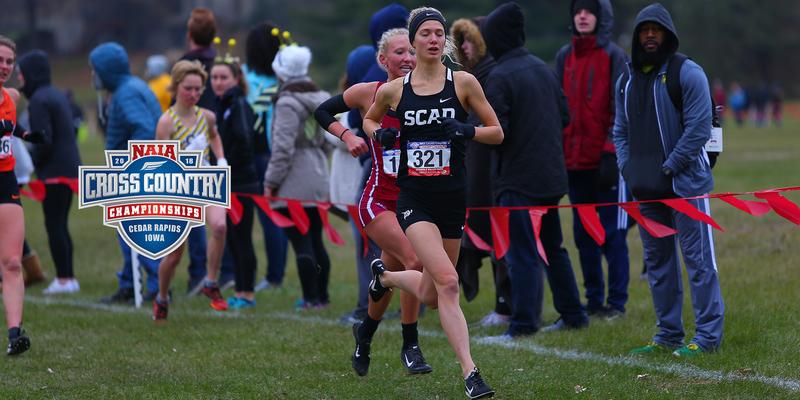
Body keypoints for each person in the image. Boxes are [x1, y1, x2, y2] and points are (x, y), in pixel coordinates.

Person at [363, 7, 503, 398]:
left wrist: (467, 130)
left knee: (430, 292)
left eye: (439, 33)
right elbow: (370, 119)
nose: (433, 39)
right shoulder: (395, 90)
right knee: (449, 282)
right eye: (425, 33)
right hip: (414, 201)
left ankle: (385, 278)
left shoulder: (464, 82)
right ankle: (471, 374)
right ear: (413, 40)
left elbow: (497, 132)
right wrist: (379, 135)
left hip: (453, 199)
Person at [315, 28, 433, 376]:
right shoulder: (370, 93)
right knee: (414, 260)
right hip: (378, 201)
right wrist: (348, 135)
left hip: (414, 201)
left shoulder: (431, 94)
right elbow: (323, 111)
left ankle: (364, 333)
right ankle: (411, 345)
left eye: (411, 52)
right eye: (399, 53)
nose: (407, 58)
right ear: (383, 59)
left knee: (393, 274)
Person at [613, 3, 724, 357]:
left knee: (699, 263)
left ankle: (707, 337)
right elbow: (620, 130)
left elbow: (699, 128)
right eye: (644, 30)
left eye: (656, 30)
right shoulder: (626, 80)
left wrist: (670, 165)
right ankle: (668, 334)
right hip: (646, 189)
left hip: (686, 186)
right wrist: (628, 168)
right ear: (636, 37)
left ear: (668, 34)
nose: (650, 36)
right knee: (658, 266)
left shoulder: (687, 72)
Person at [483, 2, 588, 339]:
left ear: (496, 38)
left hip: (518, 180)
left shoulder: (500, 76)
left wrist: (469, 130)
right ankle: (573, 314)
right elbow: (565, 116)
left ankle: (524, 323)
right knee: (552, 246)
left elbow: (497, 133)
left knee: (523, 253)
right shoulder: (544, 69)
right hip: (550, 177)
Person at [555, 0, 630, 319]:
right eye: (578, 10)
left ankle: (617, 303)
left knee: (613, 234)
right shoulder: (564, 56)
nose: (582, 15)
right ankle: (594, 300)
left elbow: (622, 108)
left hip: (606, 163)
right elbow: (558, 108)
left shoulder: (614, 56)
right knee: (584, 236)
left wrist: (611, 152)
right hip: (575, 163)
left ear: (601, 17)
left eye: (589, 11)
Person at [152, 60, 229, 320]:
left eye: (198, 89)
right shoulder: (166, 122)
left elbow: (214, 135)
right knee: (175, 255)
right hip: (179, 188)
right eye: (188, 88)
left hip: (206, 181)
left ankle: (210, 281)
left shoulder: (206, 116)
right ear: (176, 87)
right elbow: (160, 161)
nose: (194, 94)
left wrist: (220, 159)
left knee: (219, 226)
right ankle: (162, 297)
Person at [89, 42, 163, 304]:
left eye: (95, 69)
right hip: (136, 172)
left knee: (138, 230)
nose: (93, 75)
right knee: (129, 231)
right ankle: (131, 283)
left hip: (133, 174)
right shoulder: (131, 86)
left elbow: (144, 129)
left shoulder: (126, 93)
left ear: (107, 70)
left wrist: (133, 168)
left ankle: (157, 286)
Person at [450, 15, 512, 327]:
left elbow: (496, 130)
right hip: (473, 174)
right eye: (460, 41)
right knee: (480, 236)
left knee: (501, 239)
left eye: (470, 40)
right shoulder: (466, 77)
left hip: (493, 175)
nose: (464, 47)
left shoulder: (492, 77)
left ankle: (505, 305)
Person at [264, 44, 332, 310]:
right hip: (318, 172)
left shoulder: (287, 102)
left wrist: (271, 182)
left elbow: (283, 148)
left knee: (301, 240)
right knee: (315, 238)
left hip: (294, 179)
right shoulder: (321, 97)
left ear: (282, 72)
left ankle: (310, 298)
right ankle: (322, 297)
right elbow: (327, 141)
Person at [17, 49, 83, 295]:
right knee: (61, 225)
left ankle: (64, 280)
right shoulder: (55, 94)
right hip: (68, 168)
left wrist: (30, 161)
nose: (19, 79)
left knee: (54, 225)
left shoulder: (38, 100)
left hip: (55, 172)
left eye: (21, 74)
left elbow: (44, 140)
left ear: (31, 74)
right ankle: (69, 278)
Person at [243, 22, 289, 292]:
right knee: (275, 214)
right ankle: (275, 275)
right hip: (275, 154)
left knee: (261, 216)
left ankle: (271, 276)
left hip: (251, 155)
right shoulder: (284, 80)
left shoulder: (245, 77)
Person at [210, 55, 260, 309]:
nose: (218, 82)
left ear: (236, 79)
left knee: (242, 239)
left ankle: (247, 293)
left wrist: (224, 165)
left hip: (240, 183)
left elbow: (244, 142)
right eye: (214, 77)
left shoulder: (238, 104)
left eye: (224, 77)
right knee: (232, 239)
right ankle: (240, 290)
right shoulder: (223, 104)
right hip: (227, 181)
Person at [0, 34, 38, 355]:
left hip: (5, 181)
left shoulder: (10, 96)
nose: (4, 66)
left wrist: (28, 135)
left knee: (13, 261)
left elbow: (11, 128)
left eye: (9, 61)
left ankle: (15, 335)